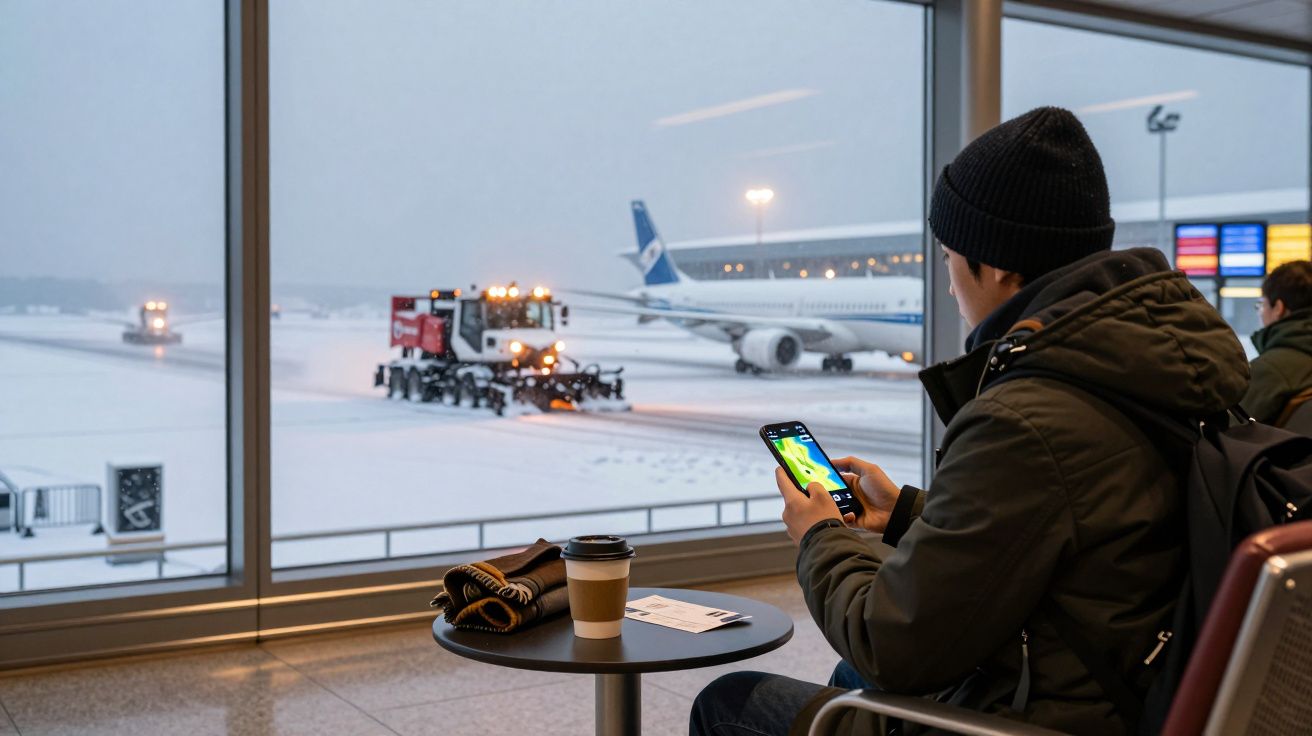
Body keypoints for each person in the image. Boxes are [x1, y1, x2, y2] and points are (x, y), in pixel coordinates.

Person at [689, 107, 1250, 736]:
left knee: (731, 701)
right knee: (849, 683)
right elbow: (1070, 529)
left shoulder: (1028, 418)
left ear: (1000, 267)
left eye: (952, 258)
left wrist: (820, 534)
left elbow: (890, 643)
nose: (951, 285)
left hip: (1035, 715)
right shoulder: (1168, 371)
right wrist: (905, 513)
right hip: (1132, 685)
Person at [1242, 260, 1312, 426]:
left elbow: (1229, 431)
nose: (1260, 313)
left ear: (1278, 308)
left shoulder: (1270, 371)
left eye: (1261, 305)